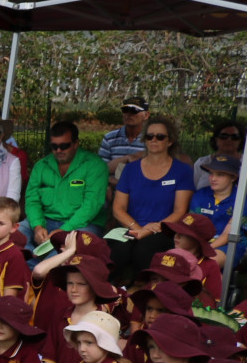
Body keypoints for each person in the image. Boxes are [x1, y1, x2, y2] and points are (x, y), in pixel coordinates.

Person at [109, 115, 194, 280]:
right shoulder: (130, 169)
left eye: (160, 136)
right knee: (118, 249)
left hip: (164, 229)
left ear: (170, 141)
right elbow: (118, 209)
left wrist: (150, 230)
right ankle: (112, 294)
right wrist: (139, 229)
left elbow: (180, 211)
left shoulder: (182, 171)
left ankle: (148, 291)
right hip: (132, 227)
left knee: (145, 249)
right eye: (149, 136)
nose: (154, 140)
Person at [23, 120, 110, 244]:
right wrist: (37, 226)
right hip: (46, 221)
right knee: (14, 234)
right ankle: (30, 261)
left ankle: (40, 262)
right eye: (54, 146)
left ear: (76, 143)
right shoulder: (41, 166)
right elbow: (32, 200)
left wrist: (63, 230)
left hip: (82, 224)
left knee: (72, 246)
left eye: (64, 146)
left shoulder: (95, 165)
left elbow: (91, 206)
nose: (58, 150)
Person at [97, 98, 150, 176]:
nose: (129, 114)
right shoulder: (110, 138)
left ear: (146, 115)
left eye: (134, 110)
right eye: (125, 110)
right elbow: (99, 171)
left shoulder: (152, 139)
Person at [192, 118, 243, 191]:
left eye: (234, 137)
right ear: (216, 139)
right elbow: (193, 189)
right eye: (224, 136)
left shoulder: (245, 164)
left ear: (240, 141)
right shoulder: (202, 163)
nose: (229, 140)